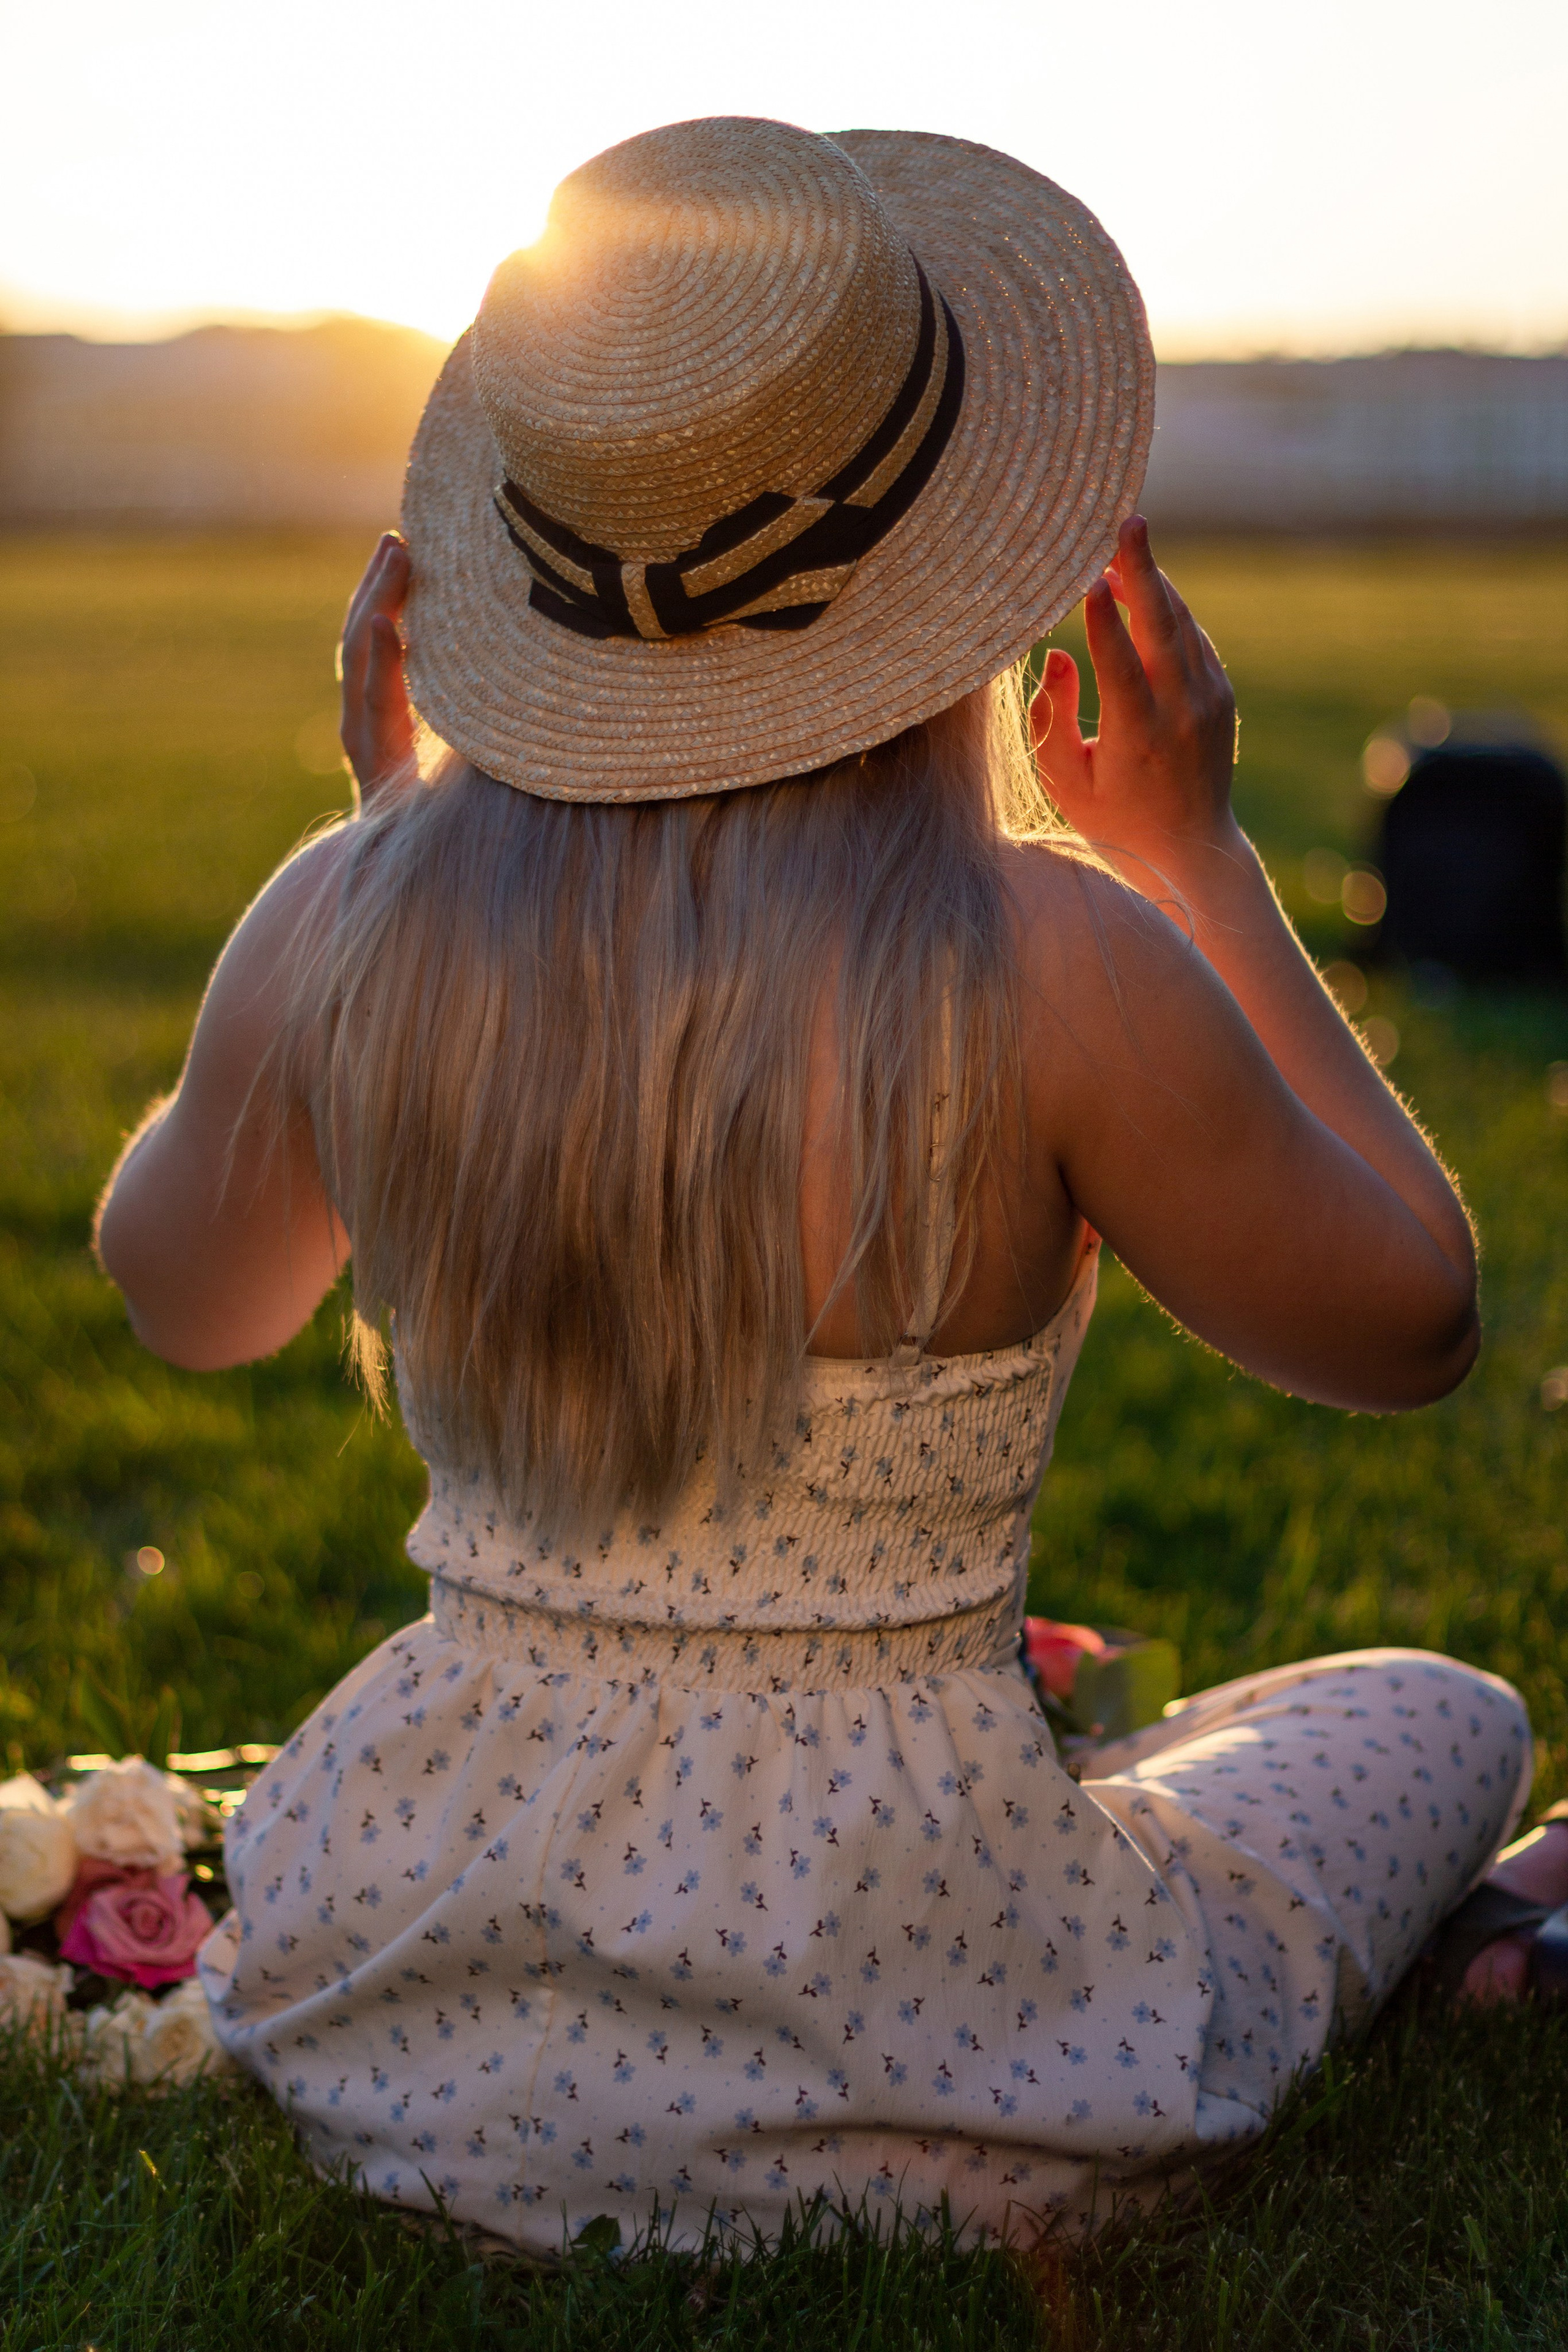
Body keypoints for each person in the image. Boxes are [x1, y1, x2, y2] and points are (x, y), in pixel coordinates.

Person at [94, 117, 1556, 2256]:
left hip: (419, 2024)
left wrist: (370, 854)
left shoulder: (352, 923)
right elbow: (1412, 1324)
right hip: (942, 2034)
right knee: (1445, 1713)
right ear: (956, 563)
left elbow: (189, 1296)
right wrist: (1193, 858)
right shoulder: (1053, 959)